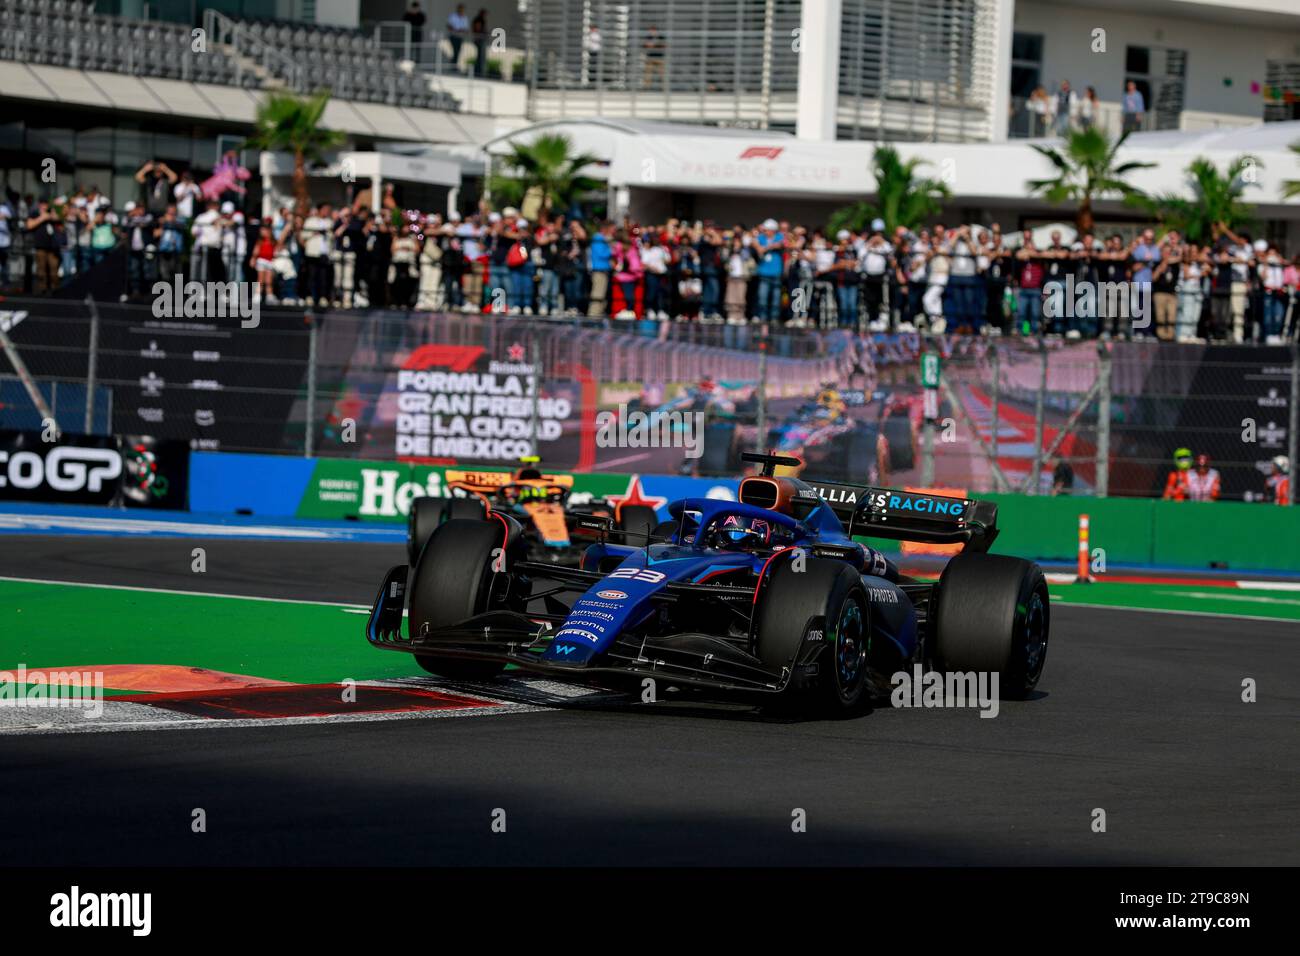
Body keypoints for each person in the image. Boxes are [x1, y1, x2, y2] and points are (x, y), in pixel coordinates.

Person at [25, 199, 60, 293]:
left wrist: (52, 215)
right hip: (40, 246)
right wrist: (42, 218)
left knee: (54, 268)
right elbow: (29, 225)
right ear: (39, 205)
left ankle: (55, 288)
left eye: (46, 204)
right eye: (43, 204)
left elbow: (59, 220)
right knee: (41, 270)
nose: (44, 206)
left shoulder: (51, 213)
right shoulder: (34, 213)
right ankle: (42, 289)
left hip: (53, 247)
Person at [753, 218, 785, 323]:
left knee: (776, 298)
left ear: (772, 230)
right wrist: (772, 246)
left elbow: (782, 244)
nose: (765, 231)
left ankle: (774, 318)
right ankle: (763, 318)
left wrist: (766, 247)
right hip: (763, 273)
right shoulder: (760, 237)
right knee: (762, 297)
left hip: (776, 273)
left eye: (767, 230)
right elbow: (758, 248)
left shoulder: (780, 236)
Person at [447, 4, 468, 70]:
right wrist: (455, 30)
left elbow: (466, 28)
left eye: (462, 9)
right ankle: (453, 65)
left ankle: (454, 65)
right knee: (455, 50)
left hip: (460, 37)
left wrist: (461, 30)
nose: (461, 10)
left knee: (458, 51)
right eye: (460, 9)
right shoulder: (453, 16)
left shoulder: (465, 18)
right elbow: (449, 26)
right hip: (453, 36)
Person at [471, 8, 488, 77]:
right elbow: (477, 28)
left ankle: (479, 71)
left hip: (481, 39)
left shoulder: (482, 20)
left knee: (481, 56)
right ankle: (478, 71)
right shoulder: (478, 19)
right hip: (479, 40)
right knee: (480, 57)